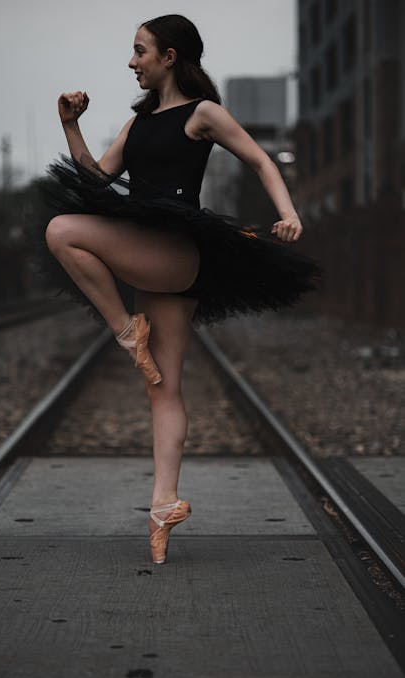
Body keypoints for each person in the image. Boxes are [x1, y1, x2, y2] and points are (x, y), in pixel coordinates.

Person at [41, 14, 320, 565]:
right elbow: (95, 180)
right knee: (163, 390)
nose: (131, 61)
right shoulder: (138, 122)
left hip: (174, 252)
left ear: (170, 57)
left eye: (140, 51)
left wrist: (289, 214)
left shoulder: (203, 113)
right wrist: (70, 125)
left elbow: (260, 159)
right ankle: (163, 507)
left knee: (60, 230)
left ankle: (126, 332)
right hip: (158, 263)